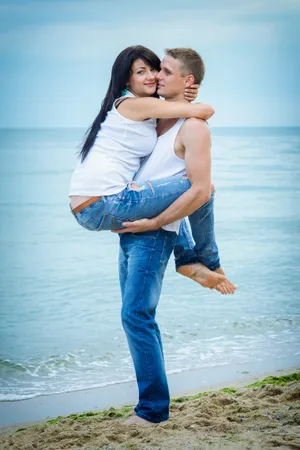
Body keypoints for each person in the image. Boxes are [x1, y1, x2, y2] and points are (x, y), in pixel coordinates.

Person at [117, 48, 236, 427]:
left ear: (187, 82)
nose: (156, 76)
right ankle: (191, 259)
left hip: (154, 233)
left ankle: (152, 411)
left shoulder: (192, 127)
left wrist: (155, 225)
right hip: (133, 231)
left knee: (137, 316)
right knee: (135, 316)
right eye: (154, 70)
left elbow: (200, 191)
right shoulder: (157, 117)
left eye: (165, 71)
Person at [69, 45, 233, 292]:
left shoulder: (146, 114)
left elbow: (173, 112)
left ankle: (188, 259)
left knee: (179, 189)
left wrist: (184, 91)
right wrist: (189, 93)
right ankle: (205, 261)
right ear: (127, 79)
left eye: (157, 70)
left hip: (89, 204)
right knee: (201, 187)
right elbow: (205, 110)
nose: (153, 76)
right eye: (141, 72)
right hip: (103, 202)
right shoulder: (134, 105)